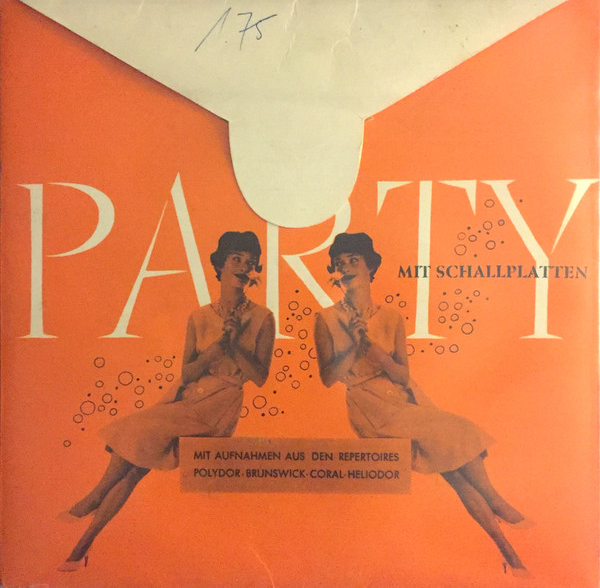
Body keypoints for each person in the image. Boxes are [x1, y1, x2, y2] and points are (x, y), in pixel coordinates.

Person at [314, 232, 532, 577]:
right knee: (459, 430)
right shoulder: (326, 319)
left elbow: (402, 375)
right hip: (371, 409)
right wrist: (354, 346)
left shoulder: (391, 317)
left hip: (407, 400)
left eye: (353, 260)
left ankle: (508, 551)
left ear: (371, 267)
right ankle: (495, 500)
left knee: (456, 473)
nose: (346, 268)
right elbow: (327, 378)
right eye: (340, 264)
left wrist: (375, 351)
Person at [58, 231, 275, 571]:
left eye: (250, 262)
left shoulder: (263, 317)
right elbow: (187, 373)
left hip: (217, 409)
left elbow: (260, 377)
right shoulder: (199, 317)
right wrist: (215, 350)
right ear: (220, 264)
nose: (244, 266)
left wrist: (234, 347)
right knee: (133, 470)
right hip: (183, 399)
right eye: (237, 258)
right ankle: (81, 548)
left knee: (135, 431)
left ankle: (95, 495)